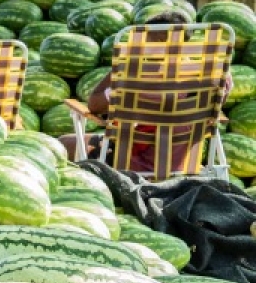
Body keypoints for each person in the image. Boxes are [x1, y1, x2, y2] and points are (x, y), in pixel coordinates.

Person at [60, 11, 233, 178]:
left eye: (146, 38)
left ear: (158, 39)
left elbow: (94, 105)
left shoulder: (134, 75)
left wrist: (121, 69)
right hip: (184, 165)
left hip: (132, 163)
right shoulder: (215, 78)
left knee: (63, 143)